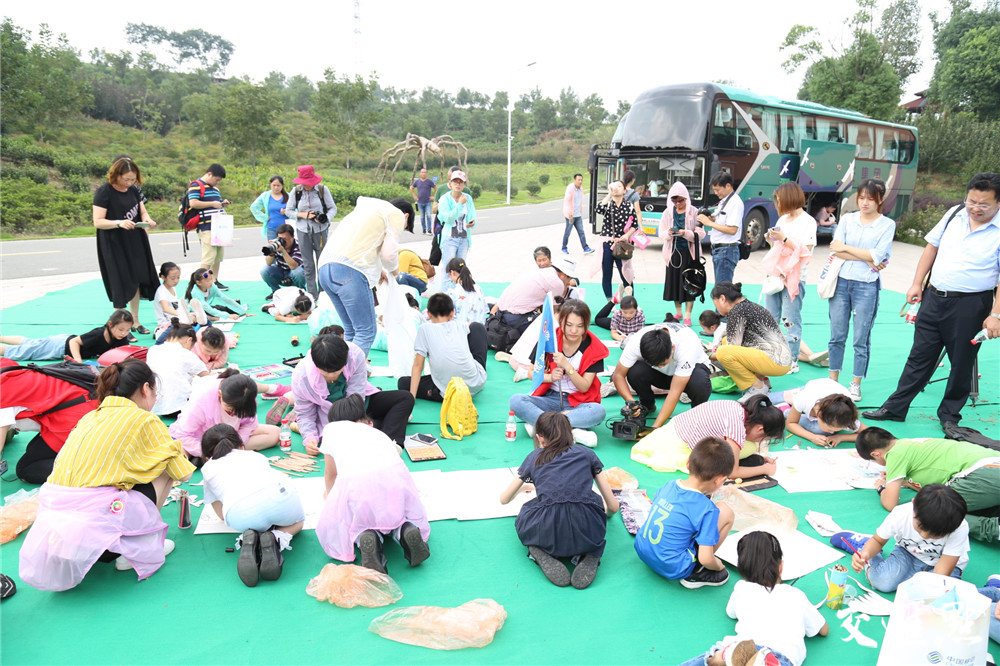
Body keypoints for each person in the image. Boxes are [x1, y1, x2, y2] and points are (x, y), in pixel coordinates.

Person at [18, 360, 195, 591]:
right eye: (155, 391)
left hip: (59, 528)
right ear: (145, 389)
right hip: (102, 524)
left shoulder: (89, 417)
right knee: (167, 460)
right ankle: (138, 546)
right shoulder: (145, 419)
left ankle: (113, 543)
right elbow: (184, 475)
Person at [864, 173, 1000, 441]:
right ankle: (895, 407)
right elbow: (931, 249)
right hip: (934, 297)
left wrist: (995, 314)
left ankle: (950, 416)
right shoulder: (954, 214)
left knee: (961, 361)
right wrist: (917, 283)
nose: (975, 208)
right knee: (919, 355)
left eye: (983, 204)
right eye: (971, 201)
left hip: (971, 305)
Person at [500, 411, 619, 589]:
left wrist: (525, 488)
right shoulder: (587, 455)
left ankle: (539, 550)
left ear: (540, 438)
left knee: (526, 514)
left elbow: (504, 499)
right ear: (571, 434)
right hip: (588, 531)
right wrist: (605, 515)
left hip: (547, 531)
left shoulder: (534, 458)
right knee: (593, 507)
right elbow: (613, 506)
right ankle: (591, 554)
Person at [316, 395, 430, 574]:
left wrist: (330, 499)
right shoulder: (377, 433)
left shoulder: (331, 431)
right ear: (363, 419)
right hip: (396, 481)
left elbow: (331, 473)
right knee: (397, 514)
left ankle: (365, 538)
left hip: (359, 486)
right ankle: (405, 529)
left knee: (356, 519)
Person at [678, 531, 829, 666]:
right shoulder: (796, 595)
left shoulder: (741, 588)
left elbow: (731, 613)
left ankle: (723, 655)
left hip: (743, 648)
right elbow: (823, 630)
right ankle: (763, 662)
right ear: (781, 567)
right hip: (780, 658)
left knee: (706, 659)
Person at [201, 424, 304, 587]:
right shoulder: (255, 456)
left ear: (207, 457)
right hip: (281, 499)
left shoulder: (208, 469)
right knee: (298, 523)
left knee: (252, 521)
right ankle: (276, 538)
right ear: (242, 446)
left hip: (241, 513)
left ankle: (251, 541)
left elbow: (221, 515)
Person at [855, 427, 999, 542]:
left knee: (933, 513)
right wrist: (903, 481)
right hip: (991, 464)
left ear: (876, 454)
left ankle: (994, 529)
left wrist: (881, 488)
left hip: (982, 473)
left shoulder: (894, 454)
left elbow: (890, 504)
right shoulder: (908, 444)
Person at [826, 179, 895, 402]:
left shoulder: (887, 225)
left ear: (880, 200)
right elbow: (836, 250)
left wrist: (852, 250)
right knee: (837, 336)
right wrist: (867, 256)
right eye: (862, 197)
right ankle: (832, 381)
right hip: (842, 282)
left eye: (870, 199)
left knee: (860, 338)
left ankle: (855, 383)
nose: (865, 203)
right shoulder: (847, 219)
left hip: (866, 286)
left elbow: (879, 256)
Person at [316, 197, 413, 356]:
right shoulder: (396, 214)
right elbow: (388, 255)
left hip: (325, 269)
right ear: (406, 216)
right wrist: (395, 271)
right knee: (365, 332)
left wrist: (378, 270)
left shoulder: (367, 211)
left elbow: (362, 246)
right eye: (405, 227)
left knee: (351, 329)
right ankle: (352, 377)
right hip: (349, 273)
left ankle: (341, 374)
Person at [634, 437, 735, 589]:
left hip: (642, 550)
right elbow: (706, 558)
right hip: (674, 567)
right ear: (720, 479)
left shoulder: (669, 485)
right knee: (726, 512)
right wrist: (717, 565)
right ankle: (698, 571)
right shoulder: (707, 509)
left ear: (688, 462)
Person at [832, 484, 969, 593]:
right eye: (920, 527)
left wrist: (928, 591)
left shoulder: (959, 526)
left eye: (935, 535)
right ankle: (865, 547)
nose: (925, 536)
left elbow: (941, 572)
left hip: (944, 565)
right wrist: (866, 554)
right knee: (882, 582)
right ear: (914, 504)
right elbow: (878, 541)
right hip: (908, 553)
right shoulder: (901, 514)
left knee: (941, 594)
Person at [509, 299, 609, 448]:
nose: (573, 330)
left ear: (586, 326)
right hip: (550, 399)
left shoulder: (594, 348)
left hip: (578, 403)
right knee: (516, 401)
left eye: (579, 326)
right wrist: (549, 377)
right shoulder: (549, 339)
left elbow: (584, 387)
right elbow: (531, 373)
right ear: (561, 321)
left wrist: (567, 366)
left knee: (598, 411)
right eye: (569, 325)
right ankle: (572, 431)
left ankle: (542, 426)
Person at [291, 334, 415, 453]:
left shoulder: (354, 355)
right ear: (315, 365)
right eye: (326, 373)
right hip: (333, 417)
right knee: (346, 438)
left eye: (338, 371)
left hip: (359, 403)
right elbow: (305, 413)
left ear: (345, 361)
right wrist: (309, 438)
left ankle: (391, 444)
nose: (332, 376)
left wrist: (359, 420)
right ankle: (380, 428)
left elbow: (357, 395)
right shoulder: (301, 377)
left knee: (405, 398)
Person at [631, 397, 783, 479]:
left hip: (672, 429)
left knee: (750, 447)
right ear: (760, 428)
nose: (760, 441)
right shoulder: (737, 427)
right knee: (749, 447)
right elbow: (732, 473)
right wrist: (764, 469)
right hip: (677, 447)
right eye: (763, 438)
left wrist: (761, 459)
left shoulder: (738, 408)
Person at [0, 358, 99, 484]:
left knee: (26, 470)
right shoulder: (3, 365)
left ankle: (96, 472)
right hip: (83, 398)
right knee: (32, 451)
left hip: (77, 419)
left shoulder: (2, 396)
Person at [92, 156, 159, 335]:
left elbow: (142, 212)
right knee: (120, 281)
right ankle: (119, 325)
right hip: (114, 242)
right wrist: (118, 223)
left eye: (133, 179)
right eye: (126, 179)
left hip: (135, 239)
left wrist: (147, 220)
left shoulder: (134, 190)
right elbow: (98, 222)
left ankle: (135, 321)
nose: (129, 182)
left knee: (136, 279)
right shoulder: (104, 192)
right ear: (116, 175)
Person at [611, 323, 713, 428]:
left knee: (699, 383)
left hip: (690, 373)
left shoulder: (686, 344)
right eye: (655, 364)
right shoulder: (637, 342)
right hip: (662, 377)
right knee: (634, 370)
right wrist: (631, 403)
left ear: (672, 348)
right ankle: (646, 405)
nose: (659, 367)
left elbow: (674, 392)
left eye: (663, 363)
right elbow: (618, 375)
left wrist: (655, 427)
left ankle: (698, 415)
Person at [762, 182, 817, 373]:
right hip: (776, 275)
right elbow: (777, 249)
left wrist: (784, 238)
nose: (777, 203)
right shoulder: (784, 219)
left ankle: (792, 360)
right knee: (770, 318)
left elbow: (805, 252)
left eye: (778, 199)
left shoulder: (808, 221)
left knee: (790, 320)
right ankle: (772, 355)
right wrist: (772, 240)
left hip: (794, 278)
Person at [169, 370, 280, 459]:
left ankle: (225, 455)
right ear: (219, 394)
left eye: (238, 411)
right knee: (180, 455)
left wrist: (235, 444)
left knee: (275, 433)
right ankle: (208, 457)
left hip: (231, 438)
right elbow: (184, 434)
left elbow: (250, 424)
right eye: (230, 409)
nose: (234, 414)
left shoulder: (247, 396)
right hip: (202, 439)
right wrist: (206, 451)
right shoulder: (201, 401)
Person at [399, 293, 487, 402]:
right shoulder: (459, 324)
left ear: (429, 314)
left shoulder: (424, 329)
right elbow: (473, 327)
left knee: (403, 382)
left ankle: (439, 390)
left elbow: (418, 366)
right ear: (452, 313)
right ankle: (477, 372)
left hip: (448, 391)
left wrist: (411, 398)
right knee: (478, 327)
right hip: (475, 384)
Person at [711, 282, 792, 398]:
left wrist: (709, 355)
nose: (717, 309)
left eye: (715, 303)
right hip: (782, 359)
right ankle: (761, 379)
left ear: (722, 298)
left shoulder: (737, 311)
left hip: (775, 361)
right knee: (725, 342)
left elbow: (733, 347)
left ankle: (757, 387)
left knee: (724, 352)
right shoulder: (749, 306)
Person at [1, 309, 133, 363]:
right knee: (19, 352)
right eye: (121, 329)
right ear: (110, 324)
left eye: (127, 330)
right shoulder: (99, 333)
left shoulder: (120, 338)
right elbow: (74, 342)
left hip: (61, 342)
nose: (124, 333)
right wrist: (77, 360)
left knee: (30, 343)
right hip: (59, 346)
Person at [491, 257, 576, 339]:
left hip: (500, 315)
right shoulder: (557, 282)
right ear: (564, 275)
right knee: (552, 329)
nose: (568, 283)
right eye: (569, 279)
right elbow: (554, 313)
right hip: (515, 319)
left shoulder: (540, 272)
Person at [767, 378, 866, 448]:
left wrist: (839, 437)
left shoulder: (847, 414)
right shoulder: (804, 398)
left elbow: (867, 434)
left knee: (820, 430)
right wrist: (812, 437)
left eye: (837, 429)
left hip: (830, 391)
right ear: (820, 415)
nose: (832, 432)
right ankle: (786, 410)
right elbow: (791, 423)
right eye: (830, 428)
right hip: (812, 387)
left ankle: (790, 409)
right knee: (763, 401)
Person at [287, 165, 338, 298]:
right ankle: (312, 295)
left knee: (322, 262)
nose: (308, 185)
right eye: (305, 183)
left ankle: (324, 294)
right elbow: (288, 211)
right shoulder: (296, 191)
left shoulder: (322, 190)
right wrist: (302, 215)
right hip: (303, 231)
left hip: (320, 230)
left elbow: (333, 208)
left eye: (310, 183)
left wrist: (325, 218)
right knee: (308, 264)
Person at [661, 181, 707, 324]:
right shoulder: (667, 212)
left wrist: (686, 233)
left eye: (681, 200)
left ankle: (688, 314)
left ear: (686, 198)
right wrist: (669, 233)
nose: (678, 204)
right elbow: (661, 233)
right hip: (673, 252)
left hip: (690, 253)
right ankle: (678, 311)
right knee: (674, 281)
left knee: (690, 282)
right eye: (674, 200)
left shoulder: (694, 212)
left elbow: (701, 233)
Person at [146, 319, 209, 416]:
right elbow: (207, 376)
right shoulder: (186, 354)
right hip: (180, 407)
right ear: (189, 340)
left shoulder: (152, 350)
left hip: (154, 406)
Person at [186, 163, 232, 290]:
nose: (217, 182)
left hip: (219, 226)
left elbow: (216, 204)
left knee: (218, 256)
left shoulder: (215, 189)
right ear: (209, 174)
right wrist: (212, 203)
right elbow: (193, 203)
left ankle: (214, 281)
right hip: (206, 226)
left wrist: (222, 204)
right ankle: (198, 283)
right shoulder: (196, 185)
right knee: (208, 256)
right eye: (216, 179)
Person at [698, 171, 746, 287]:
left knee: (722, 289)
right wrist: (713, 218)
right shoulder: (725, 201)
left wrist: (709, 222)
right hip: (721, 250)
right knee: (721, 287)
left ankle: (722, 306)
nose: (715, 193)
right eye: (714, 190)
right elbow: (724, 221)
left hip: (726, 250)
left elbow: (732, 230)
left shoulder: (735, 203)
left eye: (718, 189)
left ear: (728, 186)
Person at [595, 180, 636, 300]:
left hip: (622, 245)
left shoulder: (629, 206)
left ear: (624, 191)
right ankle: (610, 301)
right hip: (607, 244)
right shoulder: (608, 204)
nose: (617, 188)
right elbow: (599, 209)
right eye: (615, 186)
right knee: (607, 274)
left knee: (626, 273)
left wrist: (627, 235)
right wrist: (609, 194)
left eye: (619, 186)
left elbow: (635, 225)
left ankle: (631, 301)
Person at [436, 170, 477, 293]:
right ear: (450, 183)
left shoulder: (467, 198)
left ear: (464, 184)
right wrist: (459, 205)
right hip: (449, 239)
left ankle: (459, 295)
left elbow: (472, 215)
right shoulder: (444, 199)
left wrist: (472, 222)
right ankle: (446, 299)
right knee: (448, 270)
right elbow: (447, 218)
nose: (458, 184)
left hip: (464, 239)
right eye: (455, 181)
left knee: (461, 269)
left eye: (460, 182)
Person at [153, 262, 205, 339]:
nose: (176, 280)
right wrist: (183, 314)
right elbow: (166, 308)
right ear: (163, 277)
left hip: (177, 318)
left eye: (178, 277)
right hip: (167, 323)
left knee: (197, 317)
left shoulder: (172, 288)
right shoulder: (161, 291)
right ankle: (161, 331)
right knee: (189, 328)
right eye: (172, 278)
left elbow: (176, 306)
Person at [184, 268, 248, 321]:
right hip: (197, 310)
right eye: (207, 281)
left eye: (211, 279)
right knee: (204, 315)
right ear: (199, 283)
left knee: (225, 309)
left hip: (207, 307)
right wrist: (227, 316)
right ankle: (214, 318)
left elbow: (224, 298)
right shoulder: (195, 292)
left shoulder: (212, 286)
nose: (211, 282)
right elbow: (207, 309)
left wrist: (242, 311)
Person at [260, 223, 306, 297]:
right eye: (280, 238)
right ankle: (276, 293)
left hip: (294, 274)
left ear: (293, 236)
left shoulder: (299, 246)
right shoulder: (277, 245)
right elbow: (268, 263)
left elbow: (294, 266)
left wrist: (283, 251)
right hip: (281, 272)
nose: (282, 241)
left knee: (298, 272)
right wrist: (272, 252)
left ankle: (301, 293)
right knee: (265, 270)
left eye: (285, 239)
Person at [249, 175, 293, 241]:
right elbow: (254, 207)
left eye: (278, 185)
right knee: (273, 250)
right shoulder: (265, 196)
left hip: (287, 230)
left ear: (282, 186)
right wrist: (264, 217)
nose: (276, 188)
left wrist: (287, 212)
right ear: (270, 185)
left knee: (287, 250)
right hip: (272, 229)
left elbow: (296, 210)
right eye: (274, 185)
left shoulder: (289, 196)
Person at [445, 258, 488, 324]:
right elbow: (485, 310)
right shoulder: (478, 288)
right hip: (481, 330)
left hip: (461, 331)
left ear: (452, 272)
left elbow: (447, 316)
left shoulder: (452, 292)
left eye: (449, 275)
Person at [562, 173, 593, 255]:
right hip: (571, 216)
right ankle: (564, 248)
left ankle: (585, 248)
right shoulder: (570, 188)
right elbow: (567, 200)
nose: (580, 181)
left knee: (581, 232)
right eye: (578, 180)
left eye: (581, 180)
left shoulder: (581, 189)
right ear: (574, 180)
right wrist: (569, 211)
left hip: (578, 215)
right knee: (568, 232)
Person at [410, 168, 435, 234]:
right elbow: (411, 188)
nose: (423, 174)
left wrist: (433, 196)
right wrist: (414, 196)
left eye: (425, 172)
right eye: (422, 172)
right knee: (422, 216)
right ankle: (424, 229)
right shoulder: (417, 181)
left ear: (427, 174)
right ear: (420, 173)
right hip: (420, 202)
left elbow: (436, 188)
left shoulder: (429, 181)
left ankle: (429, 230)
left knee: (429, 215)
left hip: (428, 202)